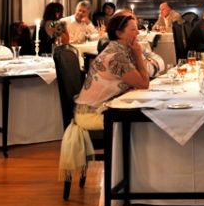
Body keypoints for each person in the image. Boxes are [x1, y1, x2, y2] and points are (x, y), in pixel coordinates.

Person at [59, 13, 150, 180]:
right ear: (119, 33)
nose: (138, 33)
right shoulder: (116, 56)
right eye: (133, 30)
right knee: (141, 123)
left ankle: (135, 177)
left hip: (92, 110)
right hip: (91, 115)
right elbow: (144, 83)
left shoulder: (119, 49)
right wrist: (138, 54)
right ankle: (135, 178)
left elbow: (142, 76)